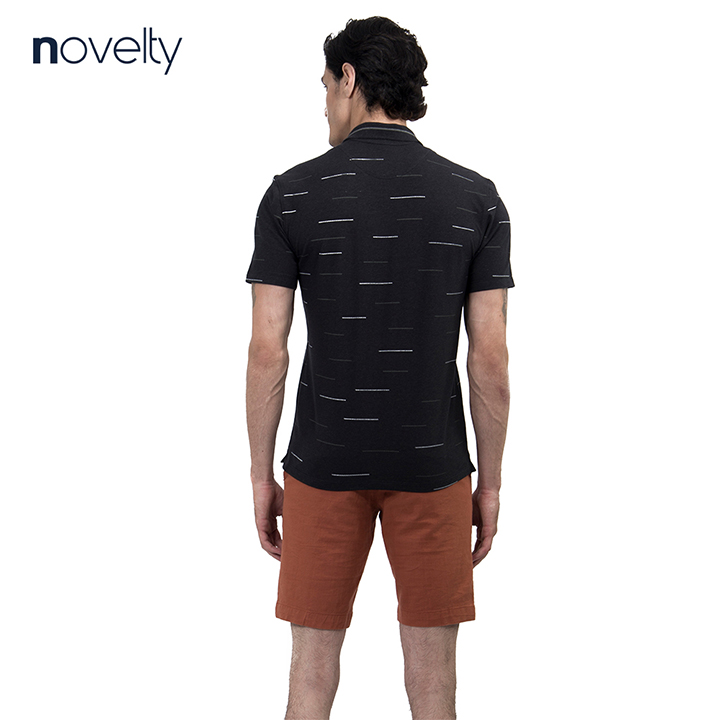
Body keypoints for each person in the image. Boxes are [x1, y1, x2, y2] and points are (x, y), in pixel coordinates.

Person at [246, 16, 513, 720]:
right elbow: (489, 359)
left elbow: (267, 350)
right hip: (434, 465)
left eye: (325, 86)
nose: (323, 106)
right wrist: (489, 483)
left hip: (321, 464)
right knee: (433, 684)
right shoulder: (476, 197)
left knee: (309, 679)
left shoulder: (292, 194)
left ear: (350, 79)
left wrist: (261, 474)